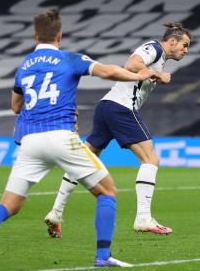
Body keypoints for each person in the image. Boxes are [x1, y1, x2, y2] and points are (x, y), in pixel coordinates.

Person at [0, 9, 161, 268]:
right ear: (59, 35)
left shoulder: (24, 67)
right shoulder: (69, 59)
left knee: (8, 205)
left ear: (34, 35)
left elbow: (16, 107)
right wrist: (139, 75)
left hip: (29, 142)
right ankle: (103, 257)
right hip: (61, 136)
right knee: (107, 192)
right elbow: (107, 71)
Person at [44, 22, 190, 237]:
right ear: (171, 41)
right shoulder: (155, 48)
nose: (186, 50)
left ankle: (56, 212)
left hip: (106, 106)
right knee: (151, 160)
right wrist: (157, 75)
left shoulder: (159, 56)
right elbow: (132, 64)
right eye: (184, 45)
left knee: (83, 160)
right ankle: (143, 218)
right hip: (120, 108)